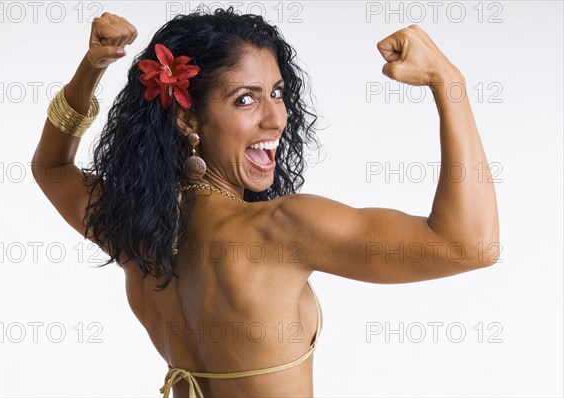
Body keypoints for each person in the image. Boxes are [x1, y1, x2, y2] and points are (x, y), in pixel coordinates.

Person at [30, 7, 500, 398]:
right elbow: (470, 245)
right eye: (245, 100)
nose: (276, 117)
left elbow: (51, 169)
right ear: (187, 117)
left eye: (276, 92)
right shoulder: (282, 228)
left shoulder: (135, 229)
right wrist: (448, 82)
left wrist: (93, 66)